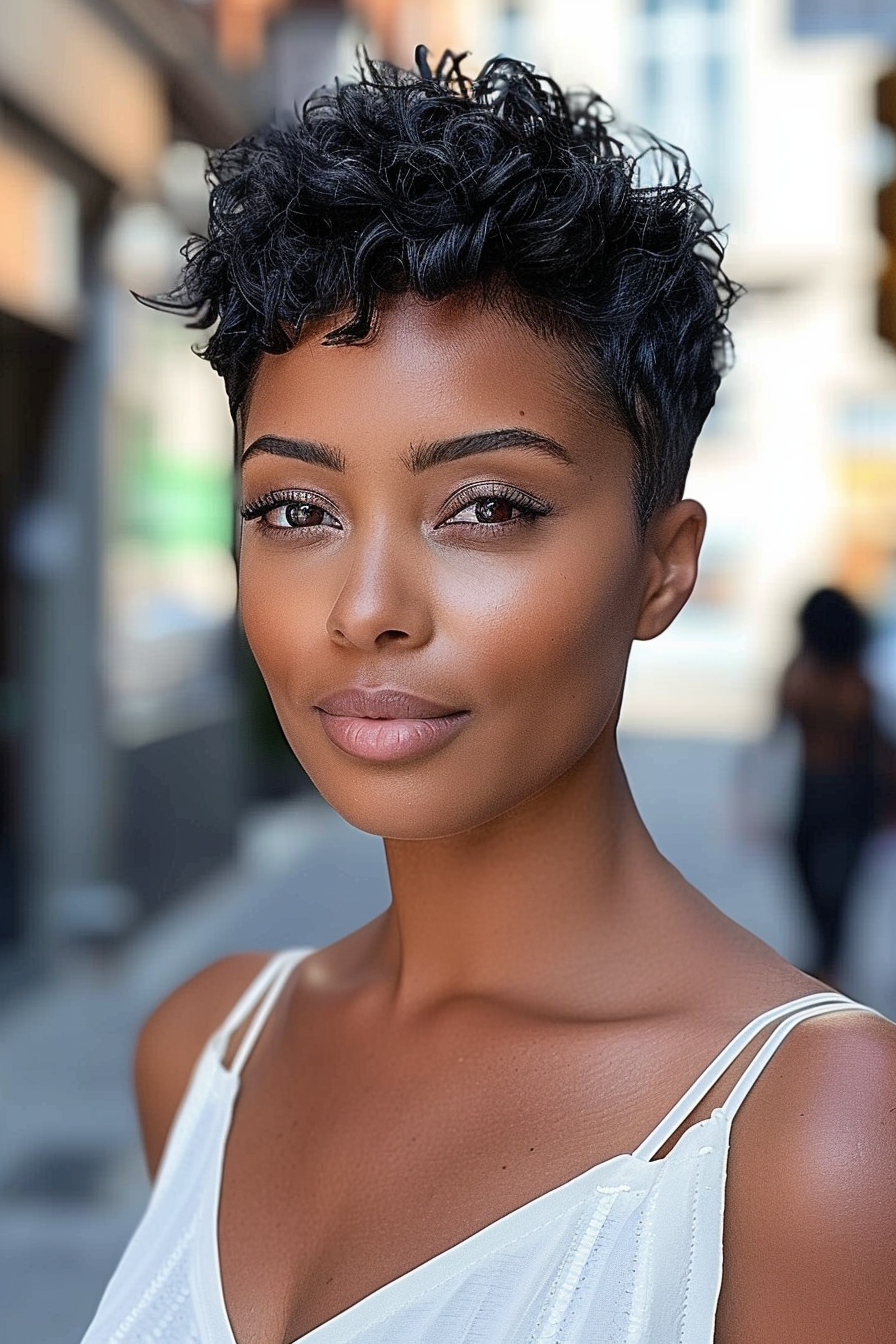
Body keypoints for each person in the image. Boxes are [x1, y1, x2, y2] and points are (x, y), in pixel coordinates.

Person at [80, 49, 896, 1344]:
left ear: (661, 568)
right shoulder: (203, 1052)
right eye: (296, 509)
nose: (367, 607)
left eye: (488, 508)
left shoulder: (824, 1143)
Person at [779, 588, 888, 985]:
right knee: (836, 900)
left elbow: (779, 726)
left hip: (808, 795)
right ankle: (828, 973)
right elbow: (875, 747)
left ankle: (824, 973)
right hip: (850, 799)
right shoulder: (855, 681)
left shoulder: (801, 673)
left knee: (815, 897)